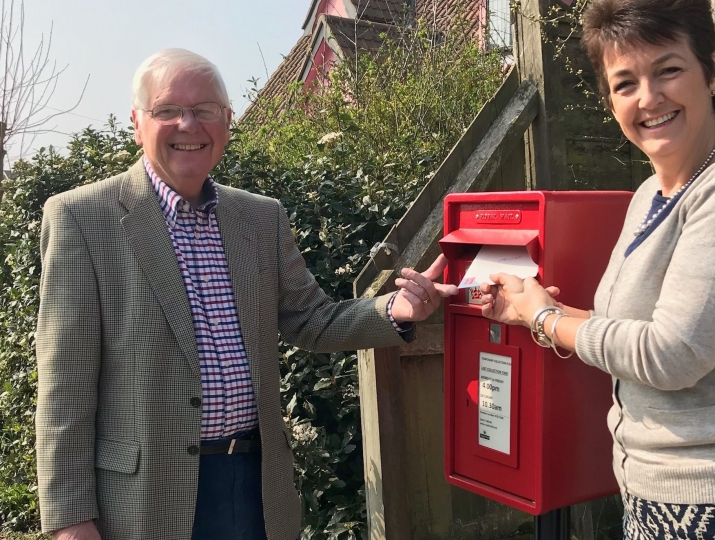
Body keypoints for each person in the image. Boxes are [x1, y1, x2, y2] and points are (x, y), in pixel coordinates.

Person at [35, 48, 457, 540]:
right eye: (167, 110)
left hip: (255, 485)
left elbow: (310, 318)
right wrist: (69, 520)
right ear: (137, 122)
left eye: (205, 110)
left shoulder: (260, 217)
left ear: (228, 120)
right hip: (142, 500)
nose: (188, 125)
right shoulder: (81, 218)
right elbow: (65, 386)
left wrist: (394, 309)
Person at [478, 0, 715, 538]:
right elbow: (633, 327)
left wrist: (548, 319)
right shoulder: (648, 195)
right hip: (652, 497)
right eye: (624, 83)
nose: (648, 97)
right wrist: (527, 308)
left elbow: (672, 354)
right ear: (609, 101)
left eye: (668, 70)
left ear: (713, 70)